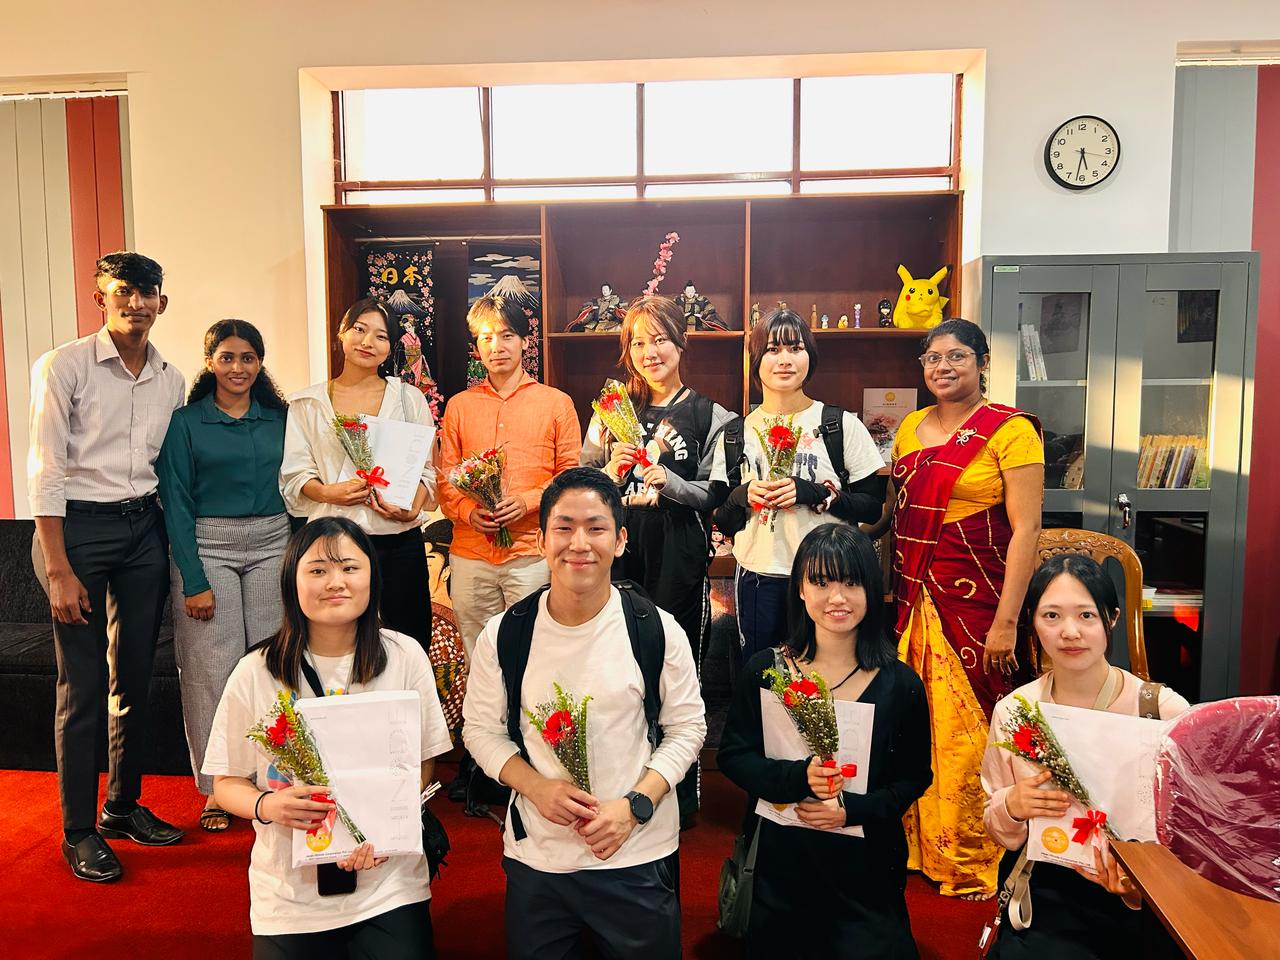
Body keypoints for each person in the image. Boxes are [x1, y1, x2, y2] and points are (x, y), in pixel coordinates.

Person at [462, 468, 706, 959]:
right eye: (564, 527)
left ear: (620, 540)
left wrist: (635, 806)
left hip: (636, 852)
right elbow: (481, 731)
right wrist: (536, 788)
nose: (579, 544)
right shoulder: (505, 633)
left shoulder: (655, 629)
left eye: (596, 528)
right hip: (540, 858)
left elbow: (687, 729)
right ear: (541, 539)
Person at [203, 516, 453, 959]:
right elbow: (226, 784)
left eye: (350, 568)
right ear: (291, 581)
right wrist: (267, 806)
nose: (335, 582)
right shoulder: (256, 671)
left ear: (372, 577)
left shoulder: (404, 656)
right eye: (318, 570)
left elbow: (421, 762)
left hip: (388, 885)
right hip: (290, 898)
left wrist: (383, 830)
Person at [867, 318, 1045, 899]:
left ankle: (971, 849)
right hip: (912, 599)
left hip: (977, 601)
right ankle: (916, 843)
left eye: (957, 356)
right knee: (913, 722)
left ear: (982, 363)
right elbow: (892, 517)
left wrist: (1007, 622)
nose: (942, 367)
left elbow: (1026, 531)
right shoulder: (911, 427)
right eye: (932, 358)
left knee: (969, 731)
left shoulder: (1011, 431)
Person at [28, 251, 187, 882]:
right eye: (123, 291)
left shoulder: (171, 378)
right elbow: (45, 469)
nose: (135, 303)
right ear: (101, 298)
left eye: (147, 293)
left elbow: (168, 468)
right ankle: (78, 830)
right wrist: (57, 568)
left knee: (136, 675)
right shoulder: (64, 365)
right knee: (84, 684)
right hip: (79, 532)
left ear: (161, 302)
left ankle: (122, 806)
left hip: (144, 529)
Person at [718, 523, 932, 958]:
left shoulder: (901, 684)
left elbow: (914, 778)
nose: (837, 598)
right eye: (820, 582)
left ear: (871, 589)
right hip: (781, 863)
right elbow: (734, 755)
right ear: (800, 589)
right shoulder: (767, 671)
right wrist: (799, 778)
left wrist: (851, 811)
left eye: (851, 583)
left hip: (866, 871)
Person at [980, 554, 1190, 958]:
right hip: (1047, 885)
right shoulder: (1015, 710)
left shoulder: (1160, 710)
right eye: (1051, 616)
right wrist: (1012, 805)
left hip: (1143, 893)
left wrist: (1138, 886)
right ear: (1033, 623)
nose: (1069, 632)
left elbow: (1190, 830)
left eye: (1086, 616)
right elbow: (1000, 829)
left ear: (1111, 619)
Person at [581, 295, 737, 826]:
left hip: (679, 552)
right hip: (619, 552)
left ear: (681, 342)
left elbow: (717, 494)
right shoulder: (610, 410)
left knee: (677, 669)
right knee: (614, 666)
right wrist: (610, 468)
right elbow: (585, 482)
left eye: (661, 339)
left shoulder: (712, 415)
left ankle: (678, 793)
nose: (650, 352)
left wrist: (669, 482)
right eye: (638, 343)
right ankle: (618, 783)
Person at [156, 319, 290, 832]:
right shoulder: (186, 423)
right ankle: (218, 787)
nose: (238, 367)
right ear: (210, 361)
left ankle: (273, 777)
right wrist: (193, 579)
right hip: (208, 546)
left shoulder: (281, 419)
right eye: (227, 357)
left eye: (248, 357)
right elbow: (175, 502)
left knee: (273, 667)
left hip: (273, 543)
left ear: (260, 363)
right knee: (211, 670)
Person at [711, 307, 884, 664]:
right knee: (764, 675)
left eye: (796, 348)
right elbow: (722, 519)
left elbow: (871, 507)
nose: (785, 359)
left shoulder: (839, 425)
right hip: (759, 577)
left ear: (810, 356)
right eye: (772, 349)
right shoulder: (735, 433)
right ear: (756, 360)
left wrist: (816, 494)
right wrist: (742, 496)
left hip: (828, 578)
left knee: (827, 674)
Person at [280, 297, 437, 651]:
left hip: (398, 540)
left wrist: (410, 510)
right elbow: (295, 474)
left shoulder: (409, 398)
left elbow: (426, 471)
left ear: (390, 347)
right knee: (335, 643)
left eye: (381, 336)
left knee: (408, 642)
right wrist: (328, 493)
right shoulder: (308, 403)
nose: (368, 342)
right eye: (359, 330)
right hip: (333, 540)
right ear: (341, 333)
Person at [438, 293, 581, 656]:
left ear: (524, 341)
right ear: (476, 347)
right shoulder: (459, 406)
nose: (496, 346)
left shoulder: (556, 403)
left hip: (532, 551)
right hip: (470, 553)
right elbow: (446, 477)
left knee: (535, 651)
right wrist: (468, 512)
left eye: (506, 336)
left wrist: (528, 501)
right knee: (478, 653)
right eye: (486, 338)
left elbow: (570, 477)